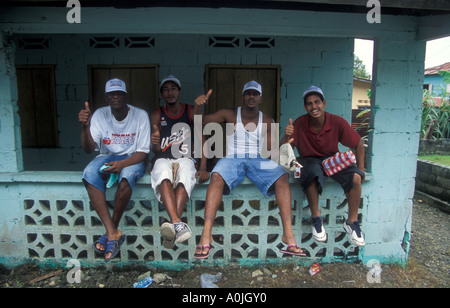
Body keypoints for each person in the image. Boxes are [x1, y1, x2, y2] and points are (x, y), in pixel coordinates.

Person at [193, 80, 305, 259]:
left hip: (257, 160)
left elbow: (271, 154)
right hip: (232, 158)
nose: (251, 96)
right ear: (243, 97)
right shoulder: (229, 114)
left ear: (260, 99)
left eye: (255, 94)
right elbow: (200, 122)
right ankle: (206, 235)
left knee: (282, 176)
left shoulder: (267, 121)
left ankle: (288, 235)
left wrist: (285, 137)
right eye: (248, 93)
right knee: (216, 176)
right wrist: (198, 107)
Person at [281, 85, 366, 247]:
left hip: (330, 160)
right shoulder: (300, 123)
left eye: (317, 102)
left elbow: (358, 142)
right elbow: (285, 150)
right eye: (309, 103)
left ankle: (352, 221)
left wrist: (361, 169)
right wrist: (287, 134)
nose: (314, 106)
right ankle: (316, 218)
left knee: (355, 176)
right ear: (305, 107)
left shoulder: (336, 121)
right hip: (308, 159)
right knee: (311, 171)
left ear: (324, 103)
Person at [79, 78, 151, 262]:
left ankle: (111, 232)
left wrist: (122, 164)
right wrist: (84, 127)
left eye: (119, 93)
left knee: (126, 176)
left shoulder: (140, 115)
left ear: (126, 95)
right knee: (88, 173)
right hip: (107, 157)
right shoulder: (100, 115)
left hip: (133, 157)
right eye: (111, 94)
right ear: (106, 97)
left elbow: (143, 152)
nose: (115, 97)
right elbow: (88, 149)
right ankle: (113, 233)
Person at [150, 75, 209, 249]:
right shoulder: (157, 114)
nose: (170, 92)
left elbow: (202, 139)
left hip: (185, 157)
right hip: (162, 156)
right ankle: (177, 222)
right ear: (162, 93)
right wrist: (154, 142)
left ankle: (171, 225)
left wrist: (204, 166)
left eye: (173, 88)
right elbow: (154, 150)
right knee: (163, 174)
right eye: (166, 89)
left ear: (180, 92)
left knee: (185, 173)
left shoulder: (190, 111)